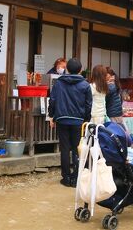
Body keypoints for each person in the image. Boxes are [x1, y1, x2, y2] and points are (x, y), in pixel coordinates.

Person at [48, 58, 92, 187]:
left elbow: (53, 101)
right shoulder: (85, 85)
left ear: (67, 69)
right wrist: (86, 119)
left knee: (65, 149)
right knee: (77, 149)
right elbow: (88, 104)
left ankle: (66, 177)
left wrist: (52, 116)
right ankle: (77, 177)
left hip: (62, 119)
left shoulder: (59, 83)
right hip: (78, 121)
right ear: (80, 70)